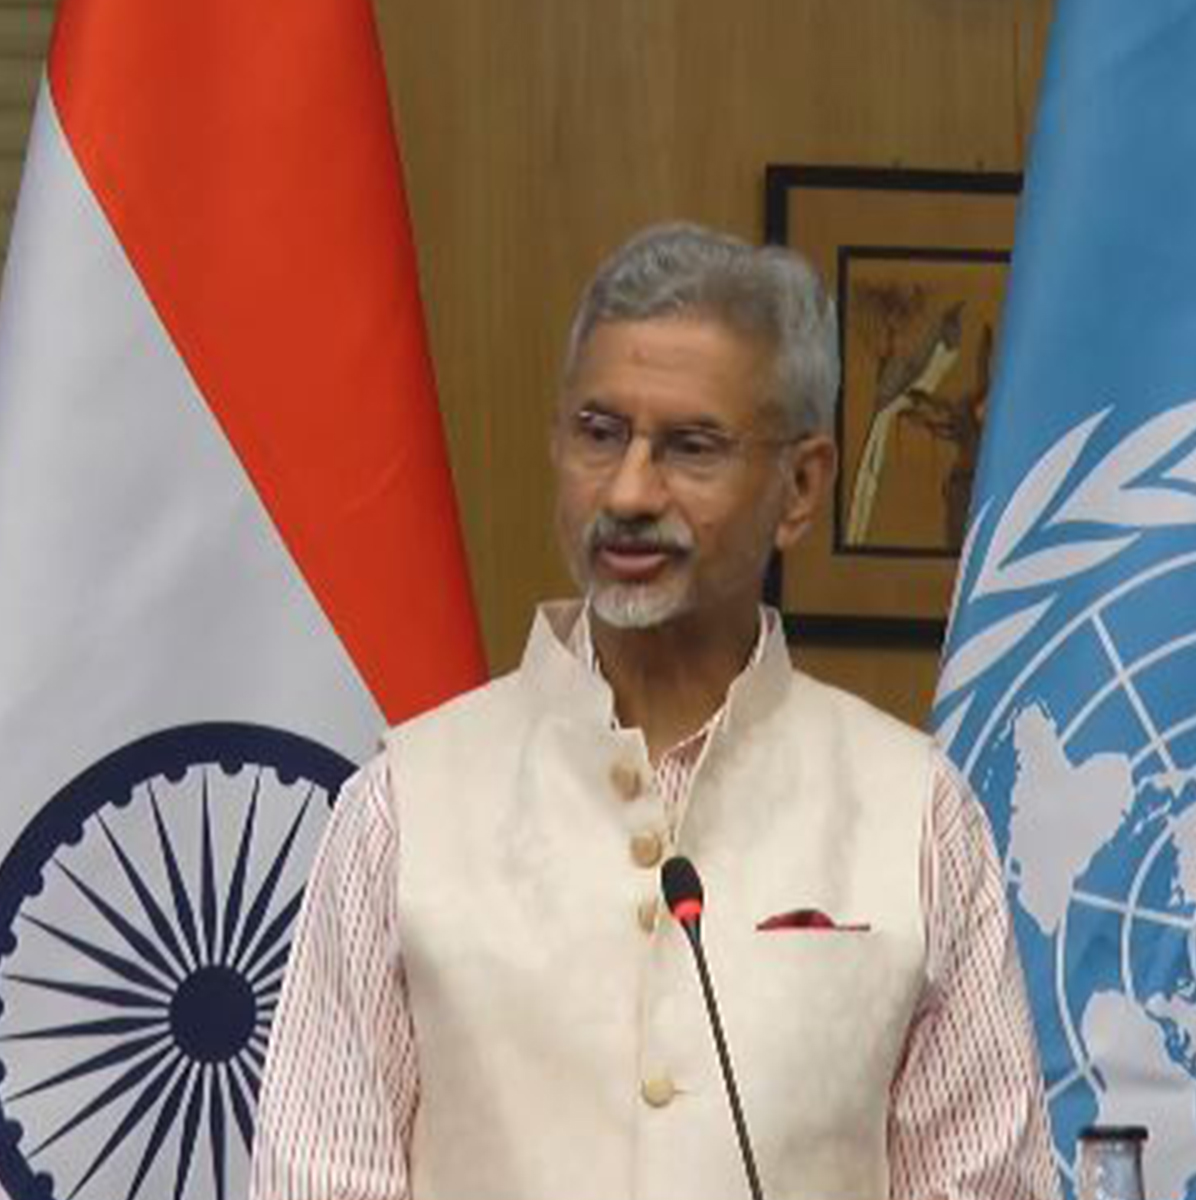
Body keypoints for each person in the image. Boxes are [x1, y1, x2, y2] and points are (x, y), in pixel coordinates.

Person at [249, 223, 1059, 1200]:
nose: (629, 492)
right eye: (600, 434)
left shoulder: (915, 816)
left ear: (800, 488)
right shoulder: (402, 808)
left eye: (690, 447)